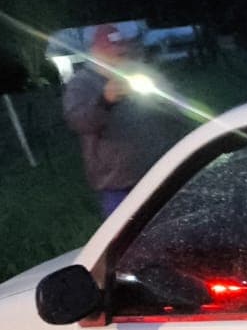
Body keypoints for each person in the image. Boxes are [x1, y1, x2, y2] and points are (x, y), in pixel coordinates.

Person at [61, 25, 176, 218]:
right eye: (111, 53)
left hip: (158, 173)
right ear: (95, 53)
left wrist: (160, 96)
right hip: (118, 185)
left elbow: (173, 106)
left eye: (121, 52)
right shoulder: (81, 84)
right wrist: (106, 100)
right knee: (131, 242)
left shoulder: (139, 74)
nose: (118, 58)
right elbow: (78, 122)